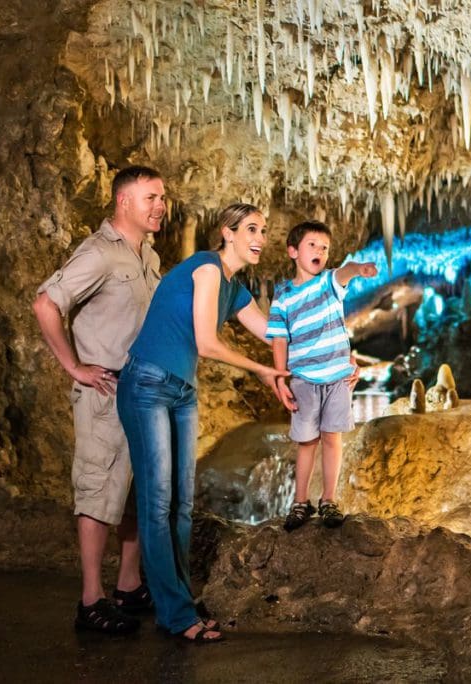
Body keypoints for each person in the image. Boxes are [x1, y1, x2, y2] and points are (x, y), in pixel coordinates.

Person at [116, 203, 287, 643]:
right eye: (251, 228)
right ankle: (175, 615)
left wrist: (335, 353)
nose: (261, 238)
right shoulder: (208, 269)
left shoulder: (235, 288)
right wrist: (262, 371)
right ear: (226, 233)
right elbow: (207, 343)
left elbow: (274, 333)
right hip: (148, 384)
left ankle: (180, 603)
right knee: (158, 504)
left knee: (183, 505)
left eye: (264, 231)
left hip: (181, 392)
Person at [33, 165, 165, 634]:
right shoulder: (98, 253)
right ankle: (91, 600)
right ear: (123, 201)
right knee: (97, 490)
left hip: (141, 392)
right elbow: (46, 303)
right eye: (150, 197)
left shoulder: (146, 253)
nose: (160, 207)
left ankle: (128, 586)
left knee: (132, 493)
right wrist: (74, 366)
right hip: (104, 393)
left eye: (162, 198)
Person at [267, 221, 378, 531]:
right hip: (303, 379)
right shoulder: (283, 297)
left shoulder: (330, 282)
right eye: (312, 245)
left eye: (325, 247)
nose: (320, 251)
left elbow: (346, 270)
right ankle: (300, 502)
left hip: (338, 378)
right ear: (293, 251)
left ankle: (328, 499)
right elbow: (279, 340)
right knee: (306, 442)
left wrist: (360, 268)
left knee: (332, 438)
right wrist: (280, 378)